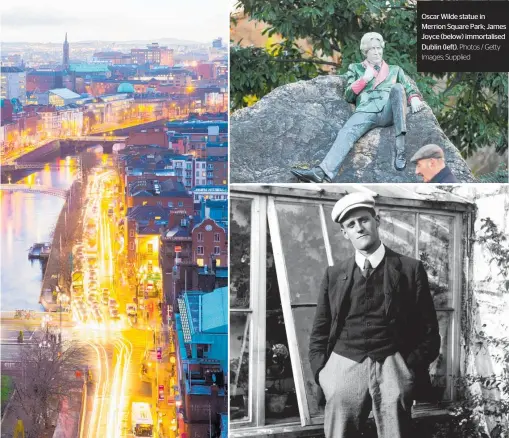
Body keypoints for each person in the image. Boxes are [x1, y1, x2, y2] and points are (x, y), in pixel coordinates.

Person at [308, 192, 440, 438]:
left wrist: (408, 368)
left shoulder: (410, 269)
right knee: (339, 432)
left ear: (376, 220)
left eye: (363, 220)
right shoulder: (335, 274)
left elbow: (429, 329)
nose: (359, 228)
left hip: (393, 360)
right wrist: (322, 372)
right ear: (344, 233)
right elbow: (320, 329)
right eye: (351, 225)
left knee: (396, 433)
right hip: (343, 360)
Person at [291, 32, 424, 183]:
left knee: (398, 88)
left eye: (378, 48)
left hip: (387, 111)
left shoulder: (395, 69)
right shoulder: (356, 68)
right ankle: (323, 172)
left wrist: (413, 98)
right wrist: (365, 78)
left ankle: (400, 150)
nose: (376, 51)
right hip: (365, 110)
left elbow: (407, 87)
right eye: (372, 49)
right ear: (365, 52)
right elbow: (349, 96)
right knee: (346, 132)